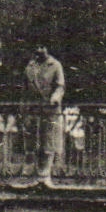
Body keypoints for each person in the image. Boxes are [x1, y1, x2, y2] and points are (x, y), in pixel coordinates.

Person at [24, 45, 65, 184]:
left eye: (42, 47)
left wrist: (55, 97)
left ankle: (46, 175)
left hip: (50, 110)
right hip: (34, 109)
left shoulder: (55, 65)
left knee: (49, 143)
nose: (39, 50)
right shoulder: (31, 66)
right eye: (37, 47)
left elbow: (60, 86)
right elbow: (26, 88)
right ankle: (36, 176)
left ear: (47, 49)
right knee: (34, 142)